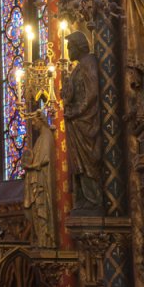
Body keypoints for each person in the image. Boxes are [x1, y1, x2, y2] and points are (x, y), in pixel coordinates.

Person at [62, 30, 103, 212]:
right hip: (77, 123)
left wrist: (77, 111)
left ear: (79, 46)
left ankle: (93, 199)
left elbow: (93, 93)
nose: (68, 50)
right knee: (79, 164)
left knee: (89, 162)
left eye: (70, 46)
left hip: (87, 122)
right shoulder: (78, 67)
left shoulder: (88, 63)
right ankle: (85, 199)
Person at [22, 110, 56, 246]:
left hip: (43, 180)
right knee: (37, 212)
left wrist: (30, 167)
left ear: (41, 120)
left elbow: (45, 159)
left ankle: (45, 241)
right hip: (38, 179)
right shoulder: (40, 138)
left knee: (42, 210)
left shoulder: (46, 136)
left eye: (35, 121)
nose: (34, 124)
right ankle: (42, 241)